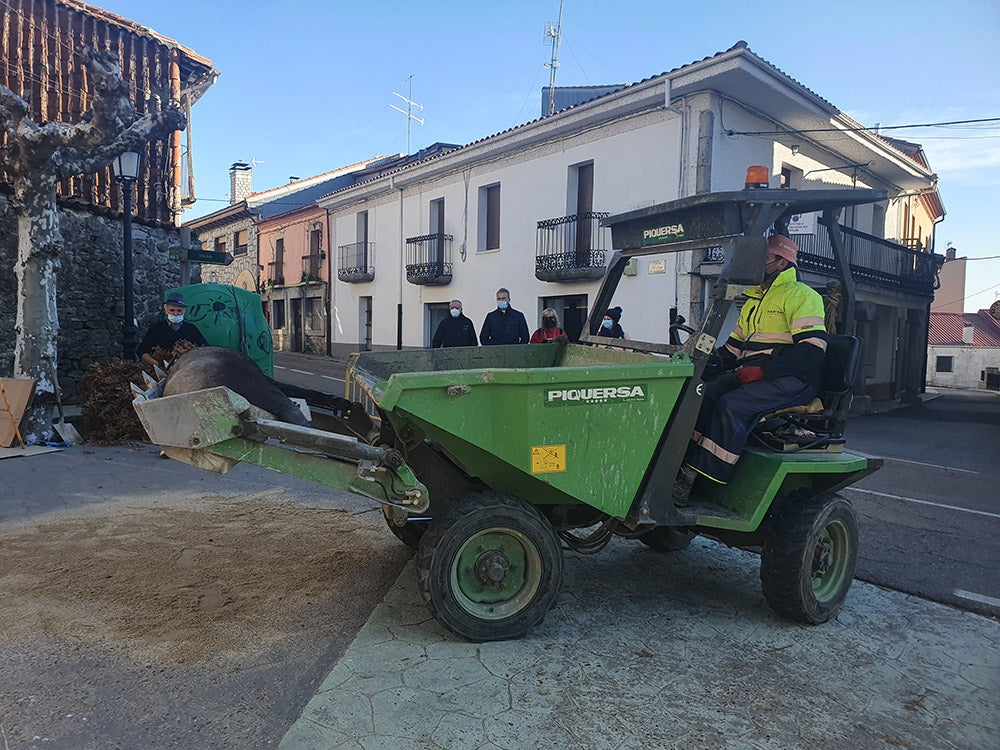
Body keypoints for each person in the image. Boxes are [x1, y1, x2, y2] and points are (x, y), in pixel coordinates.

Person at [674, 234, 828, 503]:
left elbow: (811, 352)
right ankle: (678, 461)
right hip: (753, 373)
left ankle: (694, 477)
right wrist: (695, 368)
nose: (756, 264)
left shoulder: (802, 296)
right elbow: (731, 350)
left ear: (782, 262)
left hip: (792, 379)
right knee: (704, 394)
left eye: (763, 258)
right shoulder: (754, 299)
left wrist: (764, 372)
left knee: (732, 405)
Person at [137, 292, 208, 367]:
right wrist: (155, 364)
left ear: (184, 311)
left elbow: (205, 348)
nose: (175, 313)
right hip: (162, 367)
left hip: (186, 368)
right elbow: (142, 351)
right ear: (166, 311)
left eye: (179, 310)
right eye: (172, 310)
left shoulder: (191, 329)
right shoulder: (156, 328)